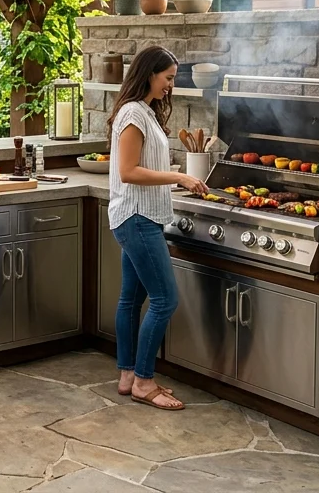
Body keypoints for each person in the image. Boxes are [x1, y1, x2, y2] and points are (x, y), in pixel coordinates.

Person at [108, 45, 207, 411]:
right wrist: (178, 176)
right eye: (168, 78)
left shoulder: (141, 111)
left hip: (134, 215)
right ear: (150, 74)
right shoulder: (134, 113)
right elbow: (128, 171)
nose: (171, 84)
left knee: (131, 300)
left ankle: (128, 375)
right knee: (166, 300)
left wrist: (172, 176)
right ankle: (145, 383)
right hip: (138, 218)